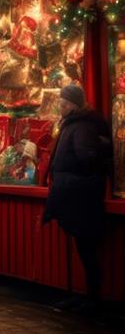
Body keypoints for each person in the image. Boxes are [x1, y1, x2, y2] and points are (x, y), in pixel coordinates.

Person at [43, 84, 112, 314]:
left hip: (79, 196)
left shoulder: (82, 126)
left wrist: (74, 178)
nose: (60, 108)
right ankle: (82, 295)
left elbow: (88, 157)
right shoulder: (74, 124)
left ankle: (92, 298)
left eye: (64, 104)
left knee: (86, 249)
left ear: (73, 105)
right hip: (72, 194)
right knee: (82, 247)